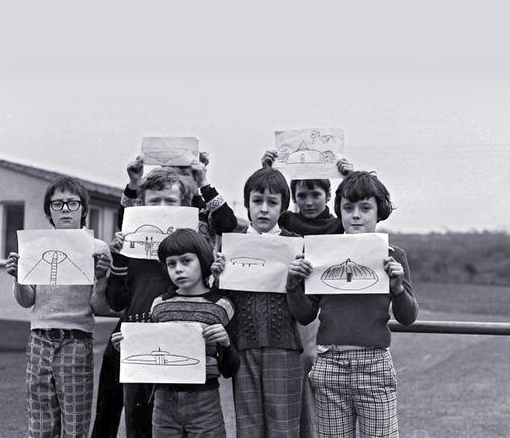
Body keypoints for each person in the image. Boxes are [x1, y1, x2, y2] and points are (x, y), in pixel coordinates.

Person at [101, 160, 237, 438]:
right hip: (139, 338)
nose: (162, 206)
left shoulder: (191, 247)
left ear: (185, 206)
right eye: (155, 200)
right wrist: (117, 258)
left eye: (170, 200)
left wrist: (203, 184)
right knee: (137, 424)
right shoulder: (131, 244)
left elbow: (227, 224)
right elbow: (115, 301)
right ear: (143, 205)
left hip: (187, 348)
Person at [285, 170, 418, 437]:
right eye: (348, 207)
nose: (356, 214)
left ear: (379, 212)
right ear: (340, 212)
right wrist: (292, 285)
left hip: (375, 364)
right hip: (329, 364)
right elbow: (305, 315)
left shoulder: (394, 256)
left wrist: (398, 288)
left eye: (365, 208)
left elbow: (408, 316)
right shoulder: (322, 254)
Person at [5, 176, 112, 438]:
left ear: (84, 210)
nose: (65, 209)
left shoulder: (97, 249)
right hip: (39, 338)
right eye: (57, 204)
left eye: (72, 203)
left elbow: (98, 306)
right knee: (40, 423)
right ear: (49, 211)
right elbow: (27, 300)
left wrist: (101, 280)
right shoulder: (35, 247)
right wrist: (18, 277)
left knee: (75, 424)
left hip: (76, 339)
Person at [113, 228, 240, 437]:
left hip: (205, 402)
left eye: (186, 261)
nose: (178, 269)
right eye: (171, 264)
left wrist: (226, 344)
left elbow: (231, 368)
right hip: (163, 403)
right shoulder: (159, 305)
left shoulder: (222, 305)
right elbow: (149, 360)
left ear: (203, 261)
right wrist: (126, 348)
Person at [261, 149, 352, 437]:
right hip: (288, 303)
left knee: (317, 371)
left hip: (323, 310)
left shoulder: (338, 225)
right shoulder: (286, 222)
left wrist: (349, 178)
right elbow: (261, 220)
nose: (309, 202)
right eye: (302, 195)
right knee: (295, 374)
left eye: (315, 194)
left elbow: (362, 219)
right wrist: (267, 170)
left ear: (328, 195)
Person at [214, 167, 304, 437]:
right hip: (244, 347)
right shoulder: (232, 245)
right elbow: (223, 301)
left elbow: (305, 311)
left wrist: (296, 281)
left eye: (272, 202)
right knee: (249, 428)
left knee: (284, 428)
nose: (264, 209)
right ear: (247, 204)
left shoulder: (295, 246)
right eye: (257, 201)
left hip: (284, 347)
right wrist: (217, 277)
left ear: (283, 207)